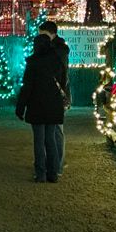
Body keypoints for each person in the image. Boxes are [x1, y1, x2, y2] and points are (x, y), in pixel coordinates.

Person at [16, 33, 66, 183]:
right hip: (53, 105)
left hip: (37, 104)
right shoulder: (57, 61)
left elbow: (27, 87)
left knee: (39, 140)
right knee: (50, 139)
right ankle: (53, 173)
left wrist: (20, 107)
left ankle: (41, 174)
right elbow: (63, 82)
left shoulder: (33, 62)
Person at [37, 21, 71, 176]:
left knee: (55, 131)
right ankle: (55, 163)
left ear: (49, 33)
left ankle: (56, 164)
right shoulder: (59, 49)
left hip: (56, 95)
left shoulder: (56, 51)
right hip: (58, 94)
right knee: (55, 130)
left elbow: (61, 76)